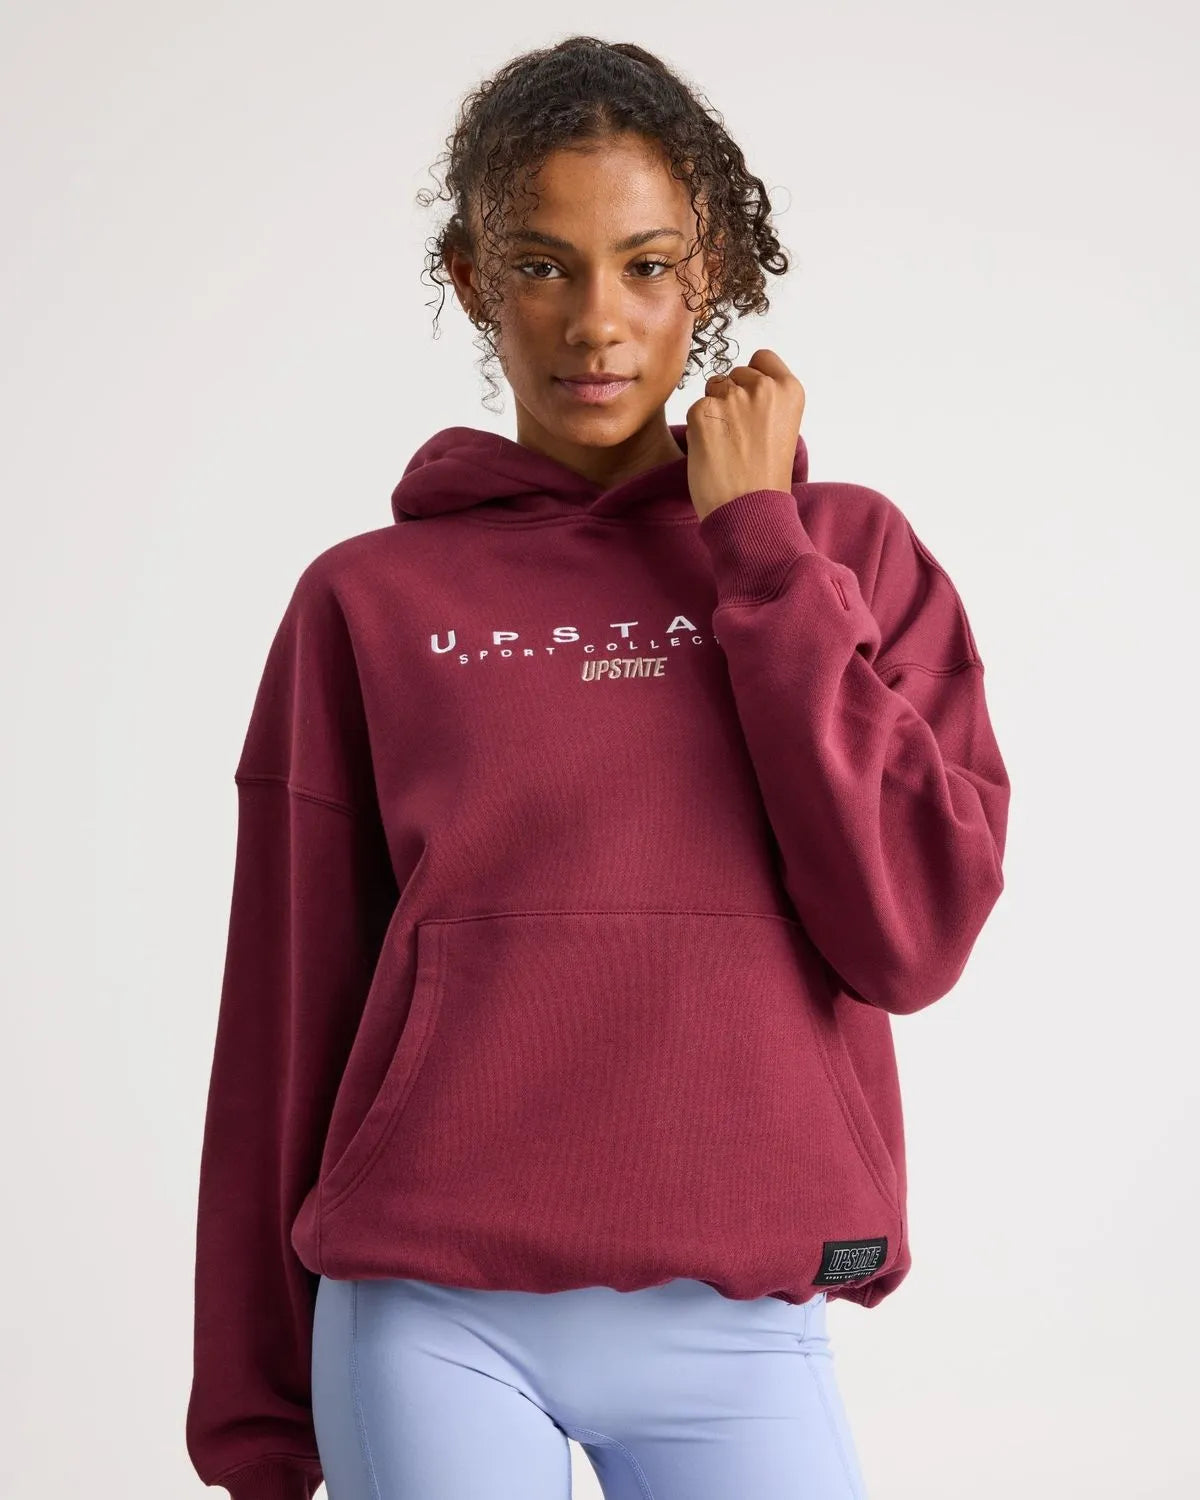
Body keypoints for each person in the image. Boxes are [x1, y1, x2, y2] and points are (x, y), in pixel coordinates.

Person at [185, 34, 1011, 1500]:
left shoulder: (847, 555)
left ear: (710, 278)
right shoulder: (367, 600)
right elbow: (286, 1005)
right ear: (471, 281)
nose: (595, 323)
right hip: (427, 1314)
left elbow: (911, 931)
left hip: (743, 1317)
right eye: (541, 266)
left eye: (646, 266)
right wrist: (258, 1420)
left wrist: (760, 552)